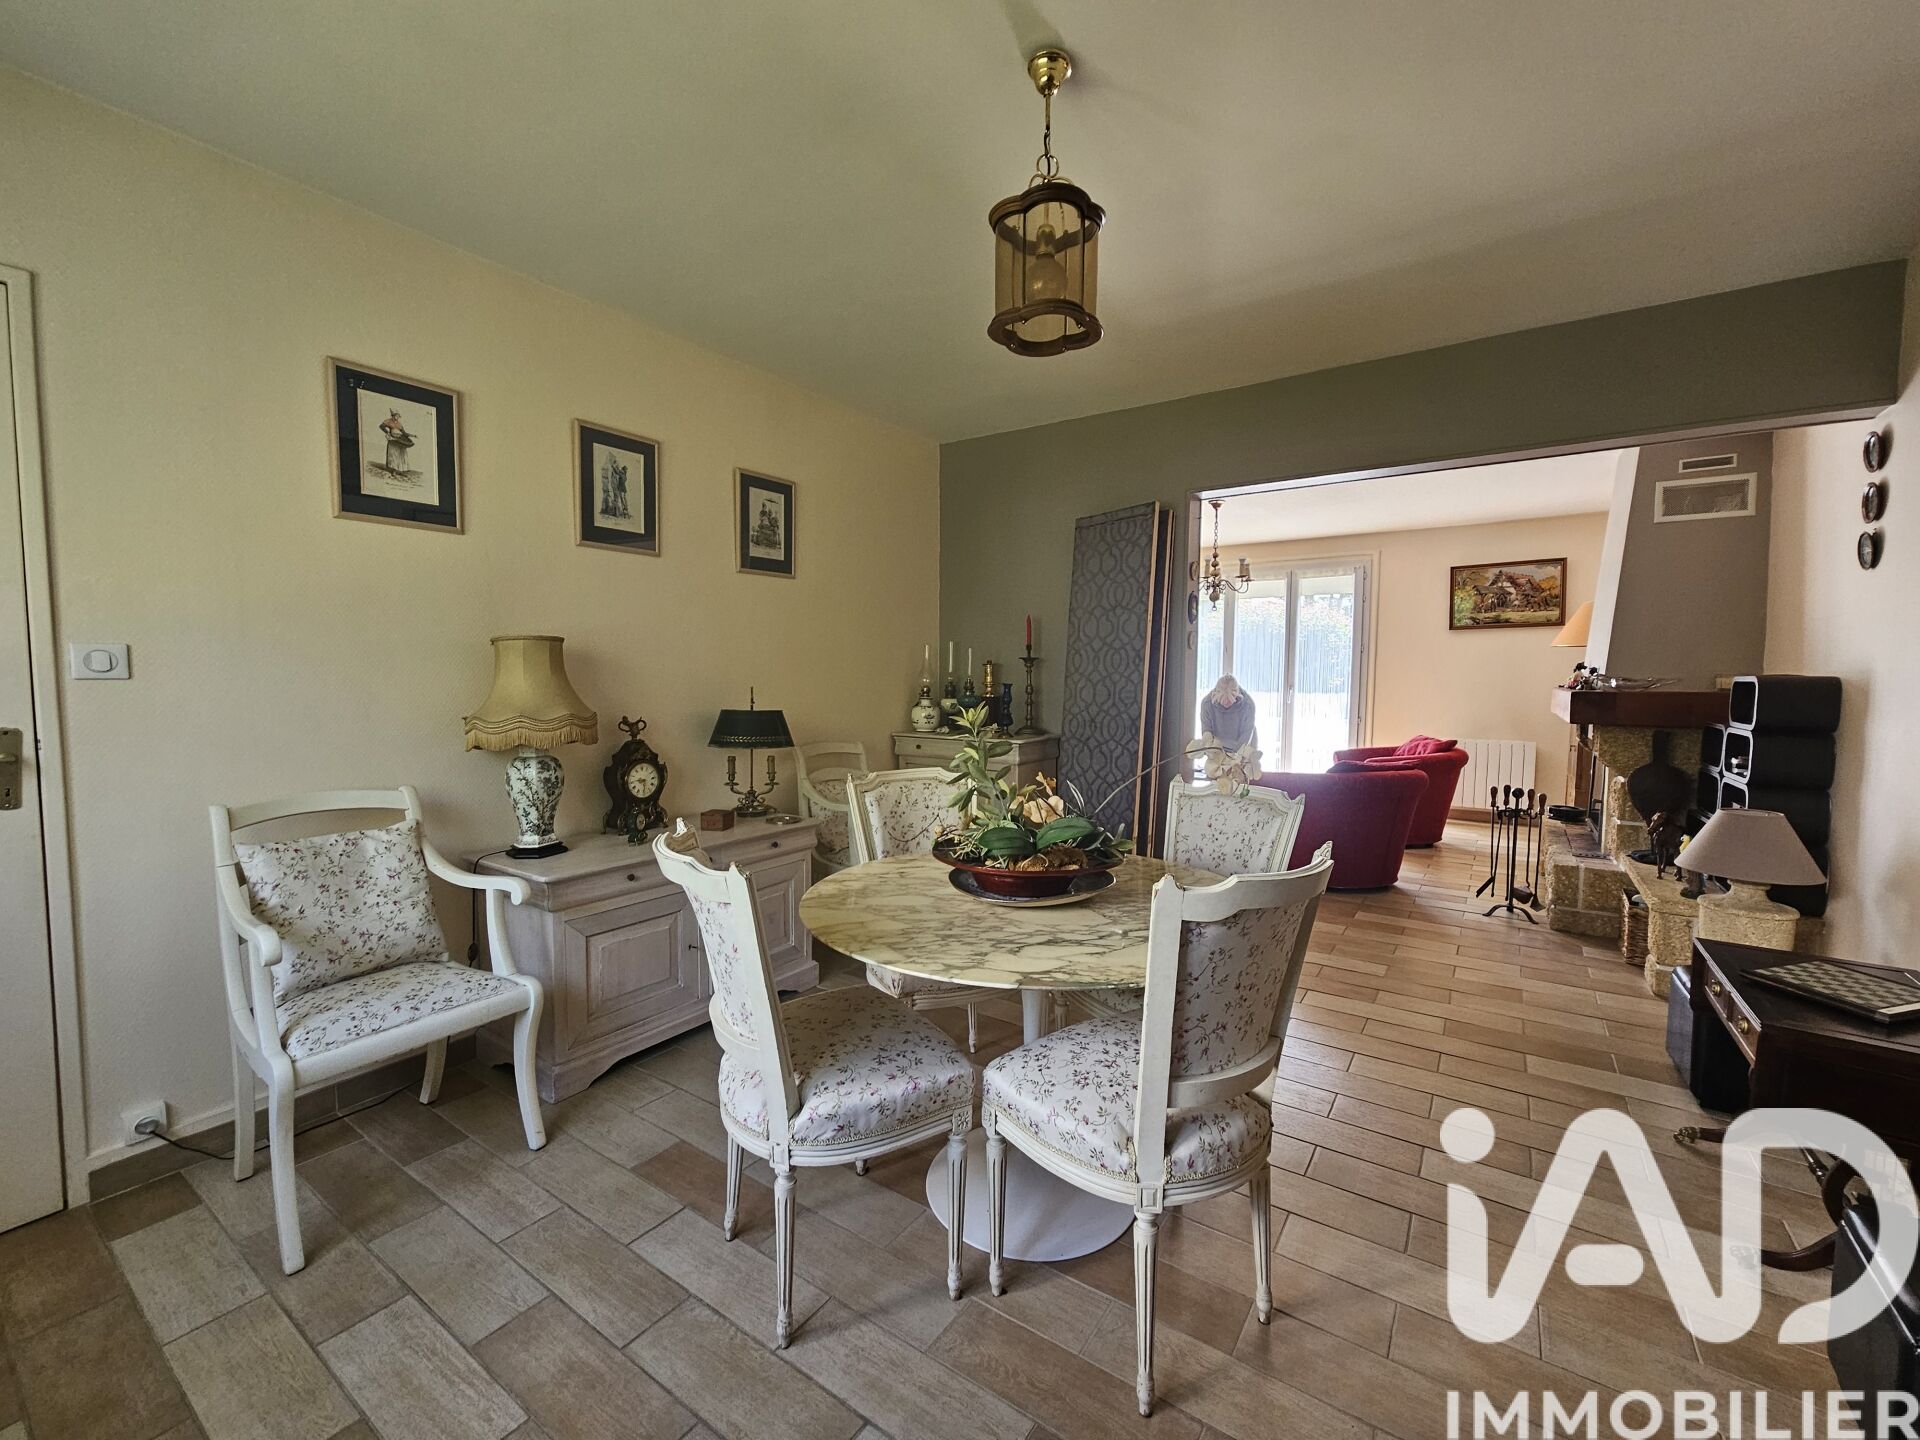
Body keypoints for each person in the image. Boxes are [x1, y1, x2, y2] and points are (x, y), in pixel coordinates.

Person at [1200, 674, 1257, 755]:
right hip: (1217, 746)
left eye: (1229, 701)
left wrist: (1235, 756)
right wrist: (1209, 748)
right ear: (1215, 695)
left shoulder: (1248, 705)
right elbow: (1206, 730)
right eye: (1222, 701)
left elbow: (1246, 734)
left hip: (1243, 744)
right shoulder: (1207, 703)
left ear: (1237, 695)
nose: (1226, 704)